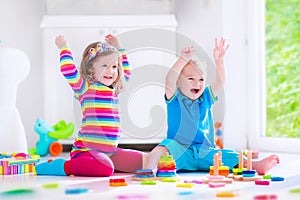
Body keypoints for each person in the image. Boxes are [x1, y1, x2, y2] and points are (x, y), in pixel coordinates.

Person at [145, 38, 280, 175]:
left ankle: (255, 165)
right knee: (163, 148)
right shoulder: (175, 99)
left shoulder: (206, 97)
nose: (197, 83)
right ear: (179, 83)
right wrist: (182, 59)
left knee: (230, 155)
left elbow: (220, 82)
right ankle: (147, 170)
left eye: (201, 79)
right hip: (181, 151)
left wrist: (219, 61)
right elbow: (169, 80)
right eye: (191, 79)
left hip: (207, 153)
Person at [36, 34, 145, 177]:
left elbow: (127, 73)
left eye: (114, 66)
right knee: (105, 169)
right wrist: (64, 47)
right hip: (85, 152)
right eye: (105, 65)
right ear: (91, 69)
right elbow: (68, 70)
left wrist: (119, 48)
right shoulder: (85, 87)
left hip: (110, 151)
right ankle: (64, 166)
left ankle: (105, 164)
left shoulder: (115, 89)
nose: (111, 71)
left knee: (142, 162)